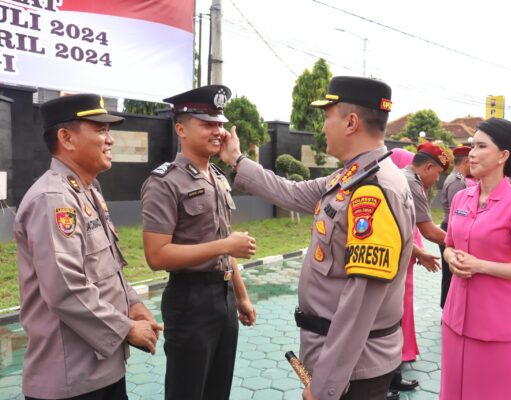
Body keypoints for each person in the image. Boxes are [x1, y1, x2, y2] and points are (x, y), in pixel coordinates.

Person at [221, 76, 415, 400]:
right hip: (340, 362)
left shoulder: (374, 191)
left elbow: (361, 303)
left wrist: (325, 386)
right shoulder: (352, 176)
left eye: (327, 117)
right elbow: (291, 192)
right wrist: (237, 160)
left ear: (351, 122)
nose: (322, 127)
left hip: (351, 372)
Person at [13, 94, 161, 400]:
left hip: (101, 370)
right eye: (100, 130)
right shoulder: (53, 199)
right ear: (66, 138)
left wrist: (133, 303)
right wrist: (126, 328)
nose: (110, 140)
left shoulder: (87, 191)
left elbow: (107, 266)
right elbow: (66, 289)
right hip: (70, 380)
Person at [140, 86, 257, 400]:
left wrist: (241, 297)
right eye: (207, 124)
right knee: (187, 391)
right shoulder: (164, 182)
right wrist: (225, 247)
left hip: (225, 296)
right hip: (190, 301)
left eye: (219, 124)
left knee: (218, 390)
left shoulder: (218, 177)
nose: (218, 131)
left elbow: (225, 242)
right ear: (181, 128)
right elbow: (156, 255)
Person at [440, 118, 511, 400]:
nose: (471, 153)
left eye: (481, 146)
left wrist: (480, 266)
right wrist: (453, 259)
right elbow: (449, 245)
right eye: (471, 145)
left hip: (497, 323)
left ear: (503, 156)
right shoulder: (462, 198)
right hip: (456, 316)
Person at [388, 148, 441, 393]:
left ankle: (389, 376)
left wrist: (420, 254)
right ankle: (386, 380)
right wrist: (468, 242)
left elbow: (404, 230)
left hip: (393, 258)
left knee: (390, 318)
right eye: (438, 173)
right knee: (389, 320)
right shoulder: (411, 182)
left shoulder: (399, 176)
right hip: (392, 264)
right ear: (428, 167)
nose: (437, 180)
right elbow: (428, 231)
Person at [439, 144, 471, 309]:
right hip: (450, 229)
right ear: (466, 161)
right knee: (451, 274)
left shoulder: (458, 179)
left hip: (450, 227)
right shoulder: (457, 182)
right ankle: (447, 309)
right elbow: (458, 213)